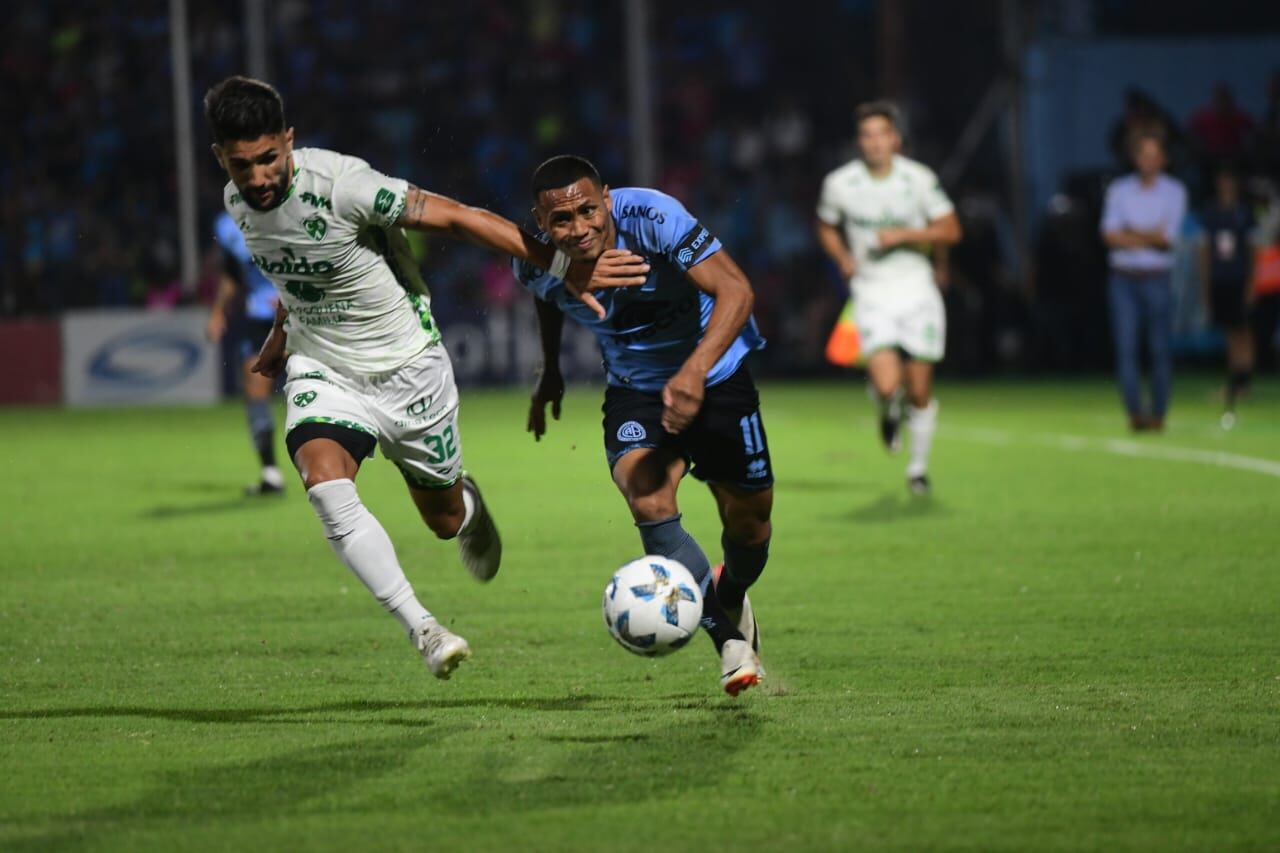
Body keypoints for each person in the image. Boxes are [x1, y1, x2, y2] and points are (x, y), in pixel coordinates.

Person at [204, 77, 646, 680]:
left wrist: (563, 266)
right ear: (220, 159)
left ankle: (466, 503)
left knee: (441, 521)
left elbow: (461, 219)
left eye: (267, 159)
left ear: (288, 140)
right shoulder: (235, 205)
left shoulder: (345, 185)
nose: (255, 178)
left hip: (410, 369)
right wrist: (282, 335)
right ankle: (426, 629)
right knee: (324, 484)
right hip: (325, 366)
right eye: (240, 164)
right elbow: (292, 270)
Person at [517, 155, 771, 697]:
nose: (579, 229)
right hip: (637, 392)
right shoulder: (532, 259)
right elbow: (547, 297)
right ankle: (728, 640)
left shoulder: (653, 218)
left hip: (717, 376)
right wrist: (552, 369)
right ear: (541, 223)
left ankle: (730, 589)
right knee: (647, 496)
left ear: (607, 198)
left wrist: (695, 373)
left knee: (750, 528)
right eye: (561, 221)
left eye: (588, 210)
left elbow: (736, 290)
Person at [814, 101, 962, 495]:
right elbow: (826, 226)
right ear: (859, 141)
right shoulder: (841, 183)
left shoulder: (918, 179)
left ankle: (917, 469)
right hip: (872, 291)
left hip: (917, 289)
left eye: (882, 134)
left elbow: (951, 229)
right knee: (884, 384)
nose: (875, 143)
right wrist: (843, 257)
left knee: (919, 391)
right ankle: (886, 410)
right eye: (867, 135)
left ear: (895, 138)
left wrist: (907, 236)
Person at [1100, 131, 1188, 431]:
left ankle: (1158, 413)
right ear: (1135, 158)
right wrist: (1148, 234)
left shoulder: (1175, 191)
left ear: (1164, 158)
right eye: (1143, 154)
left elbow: (1167, 240)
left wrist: (1131, 234)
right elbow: (1110, 236)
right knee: (1126, 348)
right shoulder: (1120, 189)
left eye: (1154, 154)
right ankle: (1135, 413)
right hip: (1123, 279)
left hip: (1156, 278)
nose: (1148, 161)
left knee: (1159, 349)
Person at [207, 210, 286, 494]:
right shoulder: (227, 224)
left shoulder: (292, 204)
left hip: (304, 313)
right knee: (255, 390)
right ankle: (271, 473)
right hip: (261, 315)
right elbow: (232, 272)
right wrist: (218, 312)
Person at [1198, 165, 1256, 428]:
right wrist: (1205, 283)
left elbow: (1254, 249)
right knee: (1231, 332)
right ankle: (1236, 381)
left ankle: (1242, 382)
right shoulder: (1211, 212)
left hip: (1239, 278)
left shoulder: (1244, 212)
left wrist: (1252, 282)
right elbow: (1206, 249)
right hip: (1220, 279)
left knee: (1242, 330)